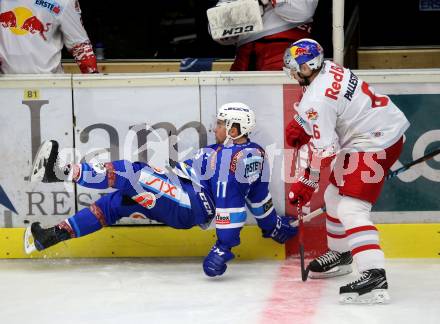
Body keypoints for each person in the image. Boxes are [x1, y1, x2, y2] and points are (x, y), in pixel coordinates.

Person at [25, 102, 298, 277]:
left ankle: (61, 171)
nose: (215, 127)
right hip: (183, 193)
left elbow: (231, 203)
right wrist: (273, 227)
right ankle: (51, 236)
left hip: (189, 203)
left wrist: (223, 247)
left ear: (235, 128)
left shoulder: (237, 157)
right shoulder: (240, 152)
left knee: (129, 173)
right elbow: (259, 197)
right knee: (116, 203)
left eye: (221, 123)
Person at [283, 39, 410, 303]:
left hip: (374, 142)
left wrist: (307, 180)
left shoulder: (316, 99)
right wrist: (303, 122)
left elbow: (326, 150)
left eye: (295, 68)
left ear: (309, 67)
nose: (293, 74)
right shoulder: (329, 68)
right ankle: (341, 254)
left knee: (351, 208)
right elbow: (328, 109)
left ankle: (374, 276)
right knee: (333, 197)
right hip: (379, 132)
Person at [214, 0, 318, 71]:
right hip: (244, 55)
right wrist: (246, 11)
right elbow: (217, 27)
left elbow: (302, 10)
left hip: (285, 51)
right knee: (237, 102)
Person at [0, 0, 97, 73]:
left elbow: (81, 47)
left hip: (51, 85)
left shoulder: (62, 2)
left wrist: (93, 90)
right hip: (6, 86)